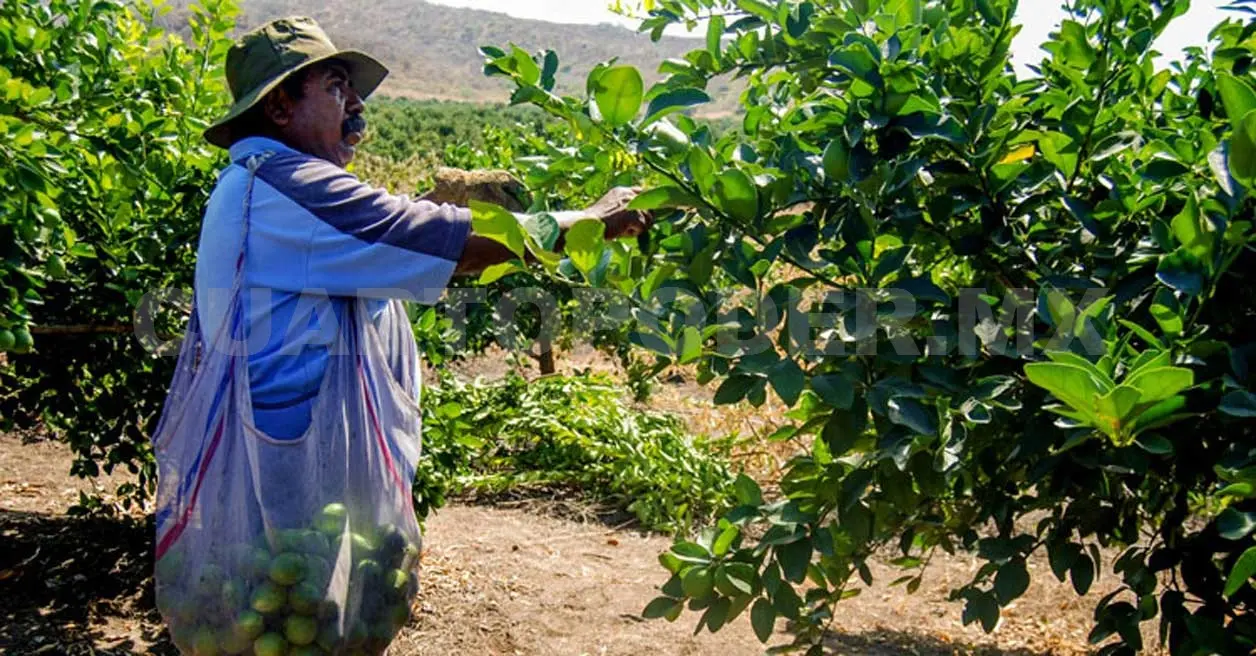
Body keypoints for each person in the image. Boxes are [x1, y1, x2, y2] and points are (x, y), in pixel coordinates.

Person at [195, 16, 650, 439]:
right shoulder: (296, 185)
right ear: (278, 106)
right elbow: (459, 248)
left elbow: (361, 243)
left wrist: (428, 206)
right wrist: (593, 221)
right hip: (302, 469)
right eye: (337, 89)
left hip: (289, 453)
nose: (357, 105)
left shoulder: (255, 181)